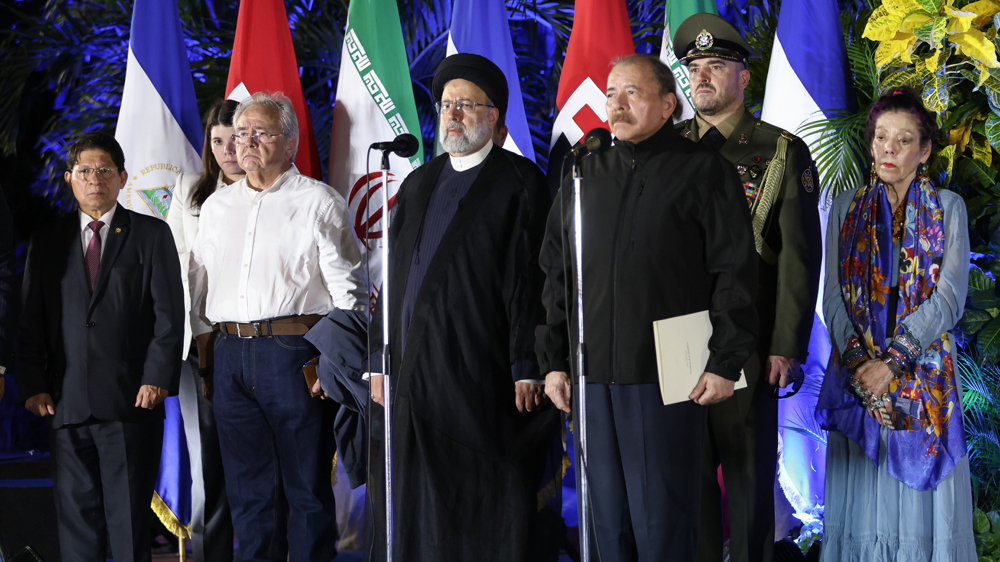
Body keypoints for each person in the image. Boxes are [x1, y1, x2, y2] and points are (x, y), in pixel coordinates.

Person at [539, 54, 759, 560]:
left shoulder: (704, 172)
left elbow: (734, 273)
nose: (616, 104)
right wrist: (553, 361)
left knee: (663, 525)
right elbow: (555, 274)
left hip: (667, 378)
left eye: (631, 93)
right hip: (591, 379)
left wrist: (726, 362)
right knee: (603, 526)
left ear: (667, 105)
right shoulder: (582, 174)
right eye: (611, 94)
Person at [364, 53, 558, 561]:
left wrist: (527, 366)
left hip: (481, 371)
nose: (452, 114)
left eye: (466, 105)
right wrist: (378, 363)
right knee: (413, 500)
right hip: (410, 369)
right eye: (447, 104)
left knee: (476, 499)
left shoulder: (521, 182)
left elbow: (531, 282)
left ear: (494, 117)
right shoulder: (418, 182)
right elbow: (393, 281)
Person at [188, 91, 367, 561]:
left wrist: (333, 365)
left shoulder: (319, 202)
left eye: (260, 133)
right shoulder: (216, 208)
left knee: (306, 489)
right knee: (248, 492)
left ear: (289, 143)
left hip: (295, 355)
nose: (245, 143)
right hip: (229, 356)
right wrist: (207, 360)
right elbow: (199, 291)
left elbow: (349, 293)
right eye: (240, 134)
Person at [672, 13, 823, 562]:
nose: (703, 77)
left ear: (744, 79)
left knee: (748, 476)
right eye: (695, 68)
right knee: (689, 476)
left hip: (751, 336)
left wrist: (787, 344)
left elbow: (800, 258)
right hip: (680, 337)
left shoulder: (781, 150)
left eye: (717, 66)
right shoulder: (669, 148)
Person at [817, 86, 975, 560]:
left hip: (921, 379)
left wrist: (892, 362)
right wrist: (863, 366)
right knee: (866, 487)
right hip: (857, 376)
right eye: (881, 137)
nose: (889, 149)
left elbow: (948, 298)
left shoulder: (948, 208)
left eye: (903, 140)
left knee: (916, 496)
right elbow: (832, 299)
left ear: (924, 150)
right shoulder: (845, 208)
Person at [17, 132, 184, 562]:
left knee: (129, 529)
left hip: (132, 403)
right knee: (77, 530)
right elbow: (31, 320)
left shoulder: (151, 234)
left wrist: (156, 378)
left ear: (123, 177)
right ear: (70, 178)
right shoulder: (48, 240)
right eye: (86, 171)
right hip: (65, 405)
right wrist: (33, 384)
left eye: (105, 171)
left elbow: (169, 316)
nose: (96, 180)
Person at [165, 98, 241, 562]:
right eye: (217, 141)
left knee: (262, 459)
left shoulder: (275, 191)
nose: (227, 151)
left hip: (261, 339)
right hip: (202, 346)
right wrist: (196, 335)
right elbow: (178, 265)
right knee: (208, 460)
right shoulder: (190, 189)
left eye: (235, 140)